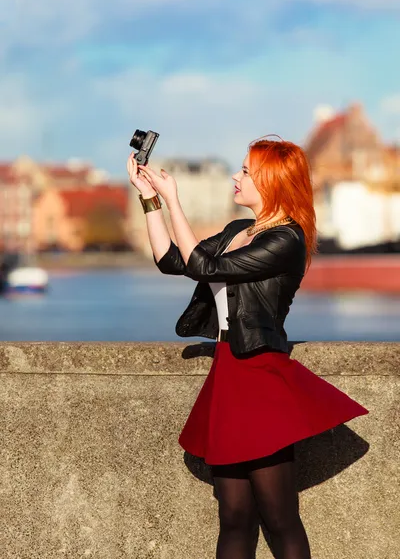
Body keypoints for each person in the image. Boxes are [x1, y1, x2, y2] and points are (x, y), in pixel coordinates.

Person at [127, 137, 369, 559]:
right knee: (234, 516)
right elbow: (174, 260)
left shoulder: (286, 240)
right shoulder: (240, 231)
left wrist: (175, 200)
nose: (234, 178)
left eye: (245, 172)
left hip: (260, 376)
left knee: (279, 517)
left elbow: (204, 267)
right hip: (228, 372)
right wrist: (152, 202)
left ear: (271, 181)